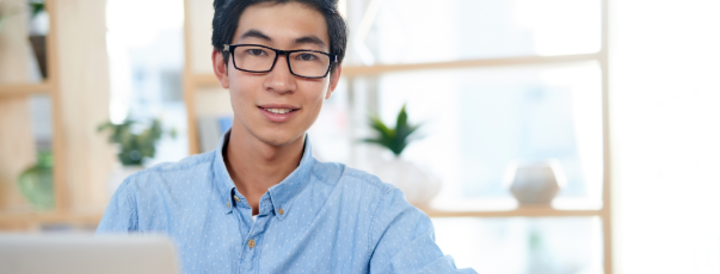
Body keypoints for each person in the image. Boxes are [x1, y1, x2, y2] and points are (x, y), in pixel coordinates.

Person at [97, 0, 477, 273]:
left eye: (306, 57)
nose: (280, 82)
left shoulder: (374, 215)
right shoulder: (143, 204)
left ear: (333, 78)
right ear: (221, 66)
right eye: (257, 52)